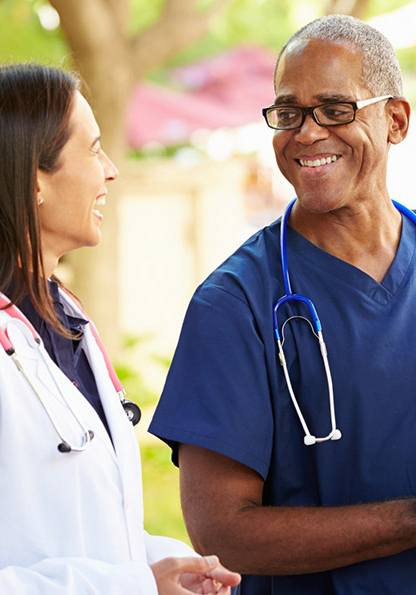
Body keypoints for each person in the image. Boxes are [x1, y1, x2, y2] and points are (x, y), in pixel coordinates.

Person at [0, 63, 241, 595]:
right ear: (33, 177)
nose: (111, 170)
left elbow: (76, 533)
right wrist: (133, 587)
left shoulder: (63, 323)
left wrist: (166, 562)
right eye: (93, 149)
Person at [148, 13, 416, 594]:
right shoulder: (236, 303)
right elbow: (222, 532)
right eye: (289, 112)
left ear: (395, 120)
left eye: (336, 109)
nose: (308, 132)